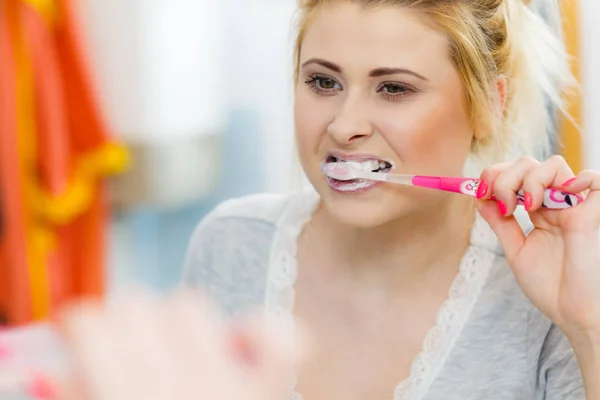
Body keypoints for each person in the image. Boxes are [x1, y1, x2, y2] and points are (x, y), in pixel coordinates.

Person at [57, 0, 600, 399]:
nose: (344, 126)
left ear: (491, 105)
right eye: (322, 82)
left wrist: (589, 325)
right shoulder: (230, 244)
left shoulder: (547, 300)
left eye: (394, 89)